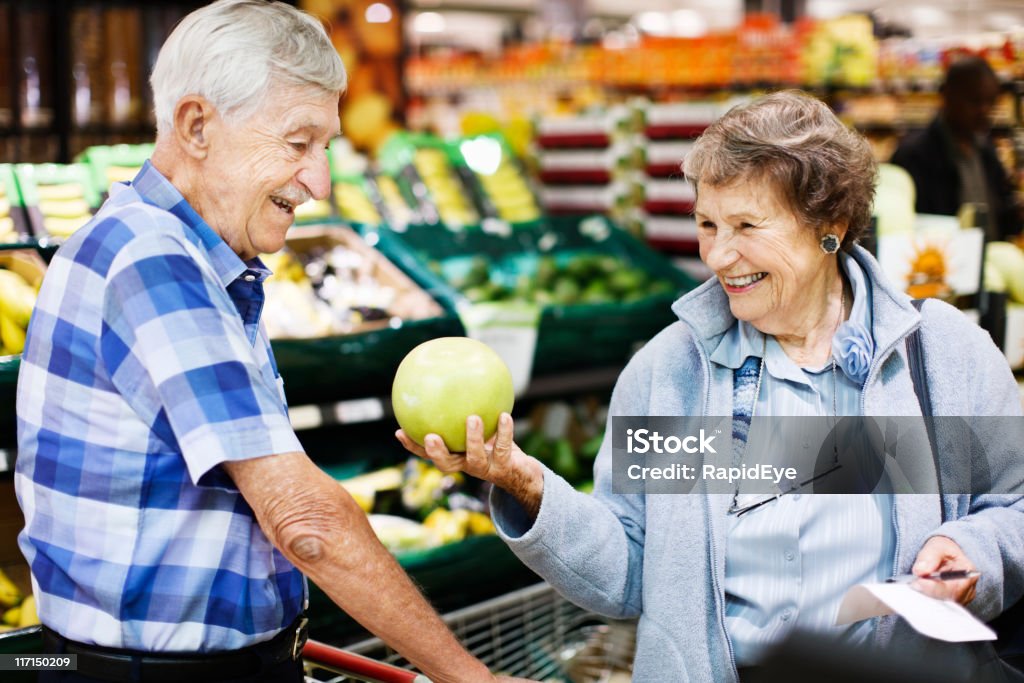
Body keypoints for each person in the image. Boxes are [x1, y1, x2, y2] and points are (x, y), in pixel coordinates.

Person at [397, 91, 1024, 681]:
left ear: (830, 225)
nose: (719, 256)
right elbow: (629, 571)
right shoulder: (675, 373)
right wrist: (522, 482)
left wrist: (971, 550)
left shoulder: (936, 354)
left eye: (748, 227)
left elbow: (1016, 508)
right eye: (707, 225)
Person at [14, 2, 531, 682]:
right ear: (197, 126)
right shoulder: (151, 261)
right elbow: (302, 517)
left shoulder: (193, 256)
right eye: (297, 143)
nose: (319, 181)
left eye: (326, 148)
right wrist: (472, 677)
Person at [891, 55, 1022, 241]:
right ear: (947, 95)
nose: (984, 111)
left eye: (991, 102)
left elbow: (1000, 211)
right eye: (975, 101)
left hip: (990, 260)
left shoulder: (986, 150)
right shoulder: (914, 154)